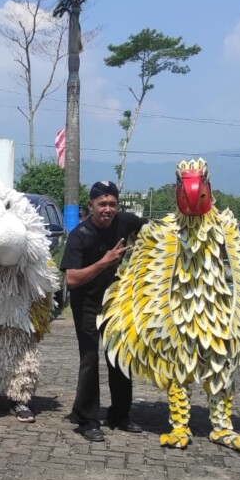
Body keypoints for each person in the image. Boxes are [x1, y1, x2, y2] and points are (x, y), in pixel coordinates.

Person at [60, 180, 146, 441]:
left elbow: (153, 231)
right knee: (90, 359)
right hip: (86, 302)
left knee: (119, 357)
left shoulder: (125, 222)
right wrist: (104, 262)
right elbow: (72, 279)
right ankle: (86, 420)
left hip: (115, 302)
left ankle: (119, 415)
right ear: (91, 205)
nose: (107, 209)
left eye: (112, 204)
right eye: (102, 204)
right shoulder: (79, 236)